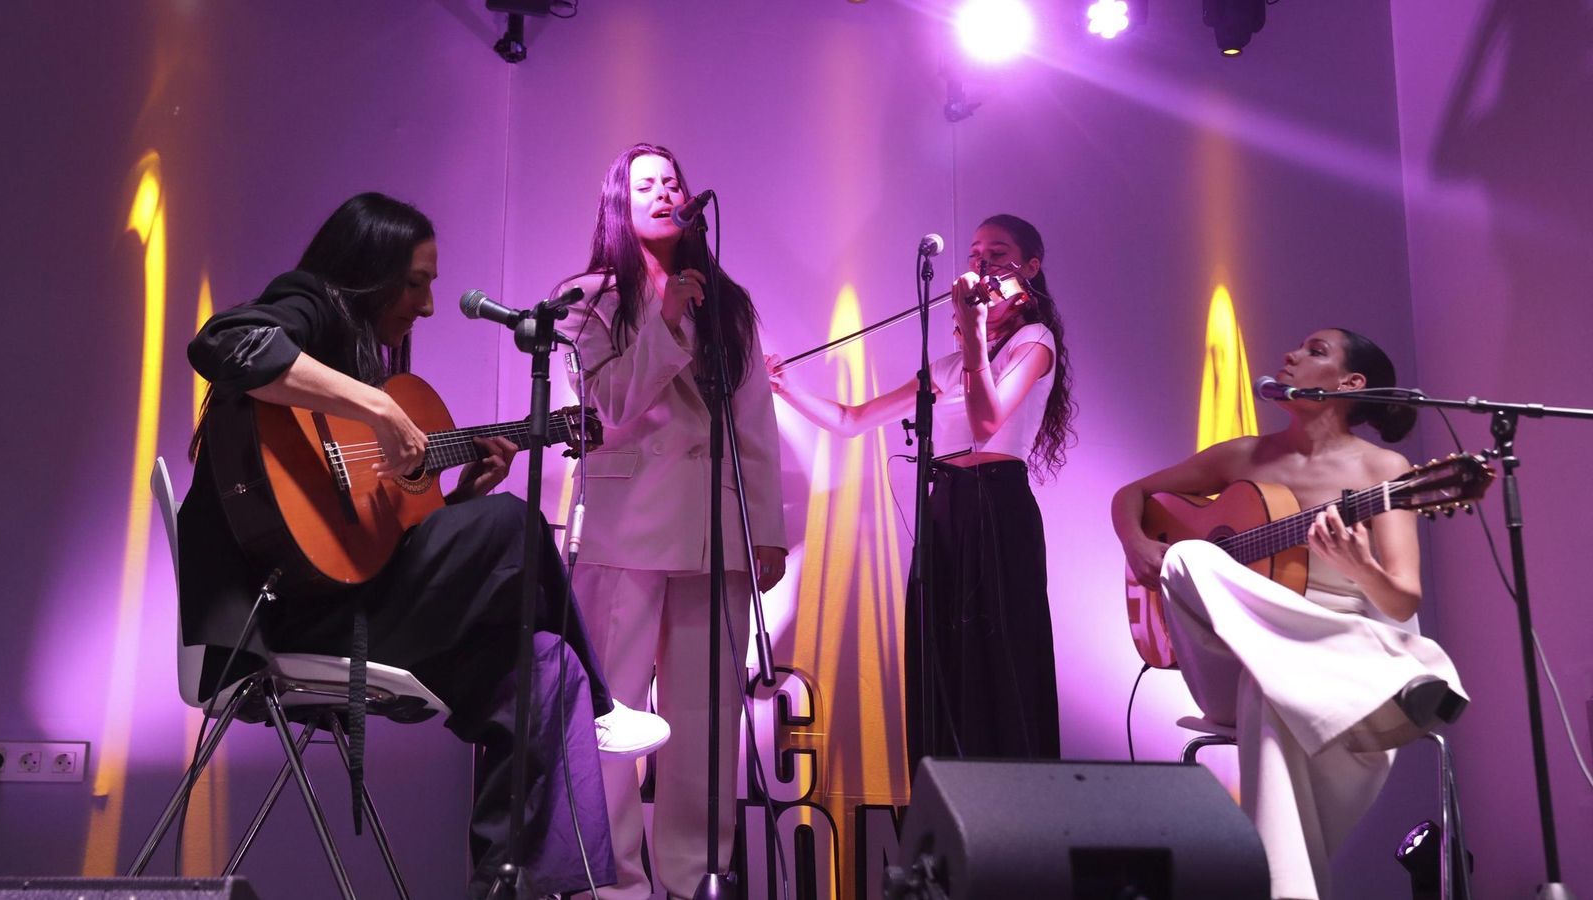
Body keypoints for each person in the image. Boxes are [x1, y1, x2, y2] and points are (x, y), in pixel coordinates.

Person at [180, 192, 664, 898]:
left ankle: (519, 889)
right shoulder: (311, 302)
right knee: (514, 524)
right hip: (283, 618)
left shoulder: (364, 354)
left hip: (355, 600)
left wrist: (460, 496)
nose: (430, 304)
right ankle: (604, 707)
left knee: (543, 663)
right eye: (416, 282)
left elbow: (374, 541)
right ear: (366, 270)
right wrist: (377, 406)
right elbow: (220, 343)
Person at [1109, 328, 1469, 900]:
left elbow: (1401, 597)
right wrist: (1138, 547)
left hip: (1338, 665)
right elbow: (1132, 495)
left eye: (1315, 350)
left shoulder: (1385, 469)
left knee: (1266, 688)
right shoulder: (1243, 455)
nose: (1291, 356)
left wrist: (1360, 567)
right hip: (1227, 655)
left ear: (1350, 385)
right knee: (1189, 559)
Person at [555, 143, 789, 899]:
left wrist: (768, 529)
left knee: (708, 721)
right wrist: (664, 316)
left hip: (716, 533)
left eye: (673, 182)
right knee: (611, 719)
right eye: (645, 184)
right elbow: (613, 403)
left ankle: (697, 880)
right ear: (619, 204)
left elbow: (755, 422)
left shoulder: (729, 301)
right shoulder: (585, 299)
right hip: (626, 527)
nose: (663, 193)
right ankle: (613, 883)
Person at [766, 213, 1075, 773]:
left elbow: (987, 422)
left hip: (998, 505)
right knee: (944, 662)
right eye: (976, 252)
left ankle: (1017, 816)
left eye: (999, 254)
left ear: (1030, 271)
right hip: (946, 508)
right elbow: (852, 420)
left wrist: (976, 332)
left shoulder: (1034, 341)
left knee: (1000, 658)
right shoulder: (951, 364)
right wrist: (785, 388)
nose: (981, 263)